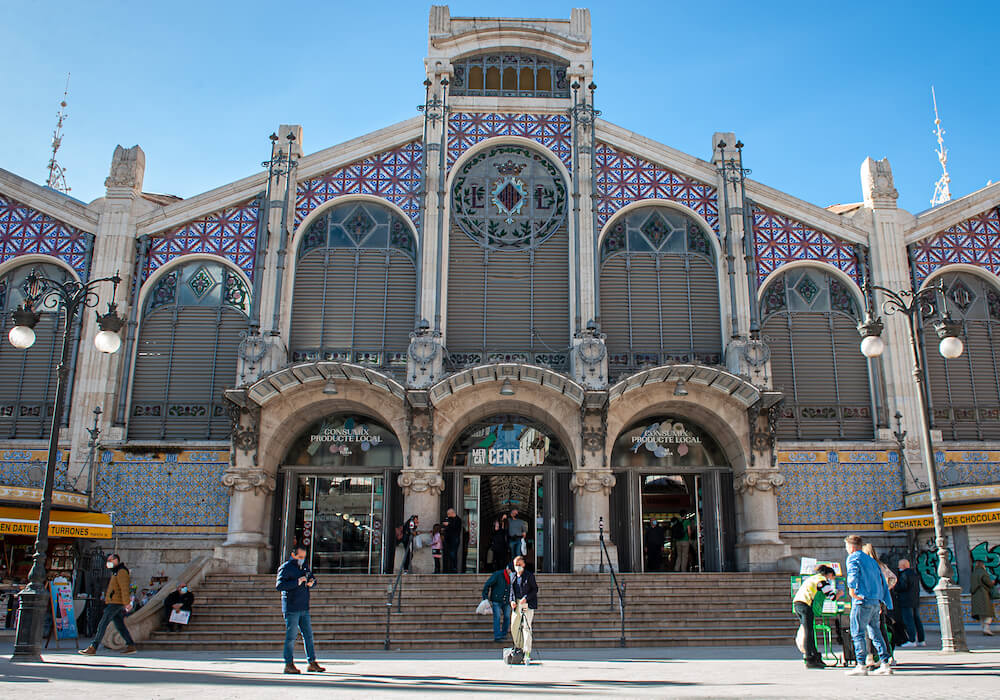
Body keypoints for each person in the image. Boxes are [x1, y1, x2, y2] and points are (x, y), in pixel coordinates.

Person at [844, 535, 893, 676]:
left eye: (847, 547)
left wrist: (852, 590)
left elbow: (853, 574)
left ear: (852, 547)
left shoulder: (853, 558)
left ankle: (861, 664)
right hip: (874, 601)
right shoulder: (871, 561)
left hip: (862, 600)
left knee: (858, 632)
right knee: (876, 632)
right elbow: (880, 579)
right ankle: (885, 663)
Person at [275, 545, 325, 674]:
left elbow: (313, 579)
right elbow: (279, 586)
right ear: (293, 555)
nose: (302, 559)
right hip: (292, 607)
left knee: (308, 636)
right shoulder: (286, 568)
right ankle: (288, 663)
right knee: (291, 637)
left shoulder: (304, 567)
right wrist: (296, 582)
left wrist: (311, 583)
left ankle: (312, 662)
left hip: (304, 606)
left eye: (304, 557)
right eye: (300, 557)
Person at [79, 554, 137, 656]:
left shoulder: (121, 571)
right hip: (114, 601)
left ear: (116, 560)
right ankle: (130, 645)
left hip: (116, 602)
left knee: (102, 624)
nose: (108, 562)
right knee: (120, 625)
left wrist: (126, 602)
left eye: (110, 560)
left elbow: (124, 588)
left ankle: (93, 647)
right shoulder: (116, 572)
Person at [792, 564, 838, 669]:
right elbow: (831, 595)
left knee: (809, 630)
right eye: (831, 578)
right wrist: (838, 594)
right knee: (809, 631)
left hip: (798, 603)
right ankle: (809, 658)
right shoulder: (821, 580)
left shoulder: (812, 578)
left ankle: (814, 655)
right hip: (805, 604)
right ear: (829, 574)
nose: (830, 580)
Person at [509, 555, 538, 664]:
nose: (517, 567)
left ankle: (527, 652)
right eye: (516, 565)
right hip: (516, 604)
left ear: (524, 565)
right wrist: (512, 601)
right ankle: (519, 646)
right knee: (514, 626)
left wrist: (526, 598)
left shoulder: (529, 576)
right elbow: (511, 591)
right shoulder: (513, 576)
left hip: (527, 604)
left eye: (519, 565)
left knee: (526, 627)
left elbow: (535, 589)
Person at [895, 559, 925, 647]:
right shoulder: (915, 574)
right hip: (915, 600)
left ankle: (912, 640)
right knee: (917, 620)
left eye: (900, 565)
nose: (898, 567)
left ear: (903, 566)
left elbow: (903, 586)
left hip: (906, 601)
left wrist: (895, 587)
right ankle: (921, 639)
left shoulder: (904, 575)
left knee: (909, 620)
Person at [482, 563, 512, 642]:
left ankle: (503, 634)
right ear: (507, 569)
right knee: (497, 617)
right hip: (497, 599)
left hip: (507, 600)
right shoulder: (498, 575)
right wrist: (485, 597)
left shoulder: (512, 577)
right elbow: (487, 584)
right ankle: (497, 635)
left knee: (507, 617)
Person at [971, 559, 997, 636]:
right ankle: (986, 628)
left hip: (975, 596)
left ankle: (984, 628)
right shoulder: (983, 572)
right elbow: (988, 582)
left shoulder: (973, 573)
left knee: (981, 614)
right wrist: (992, 583)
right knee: (988, 613)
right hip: (983, 595)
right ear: (982, 565)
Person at [443, 508, 463, 573]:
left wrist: (448, 525)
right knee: (449, 554)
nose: (448, 515)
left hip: (455, 539)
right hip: (448, 539)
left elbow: (455, 527)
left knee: (453, 553)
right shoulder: (449, 519)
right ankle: (449, 568)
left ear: (452, 513)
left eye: (448, 514)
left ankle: (454, 568)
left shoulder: (458, 520)